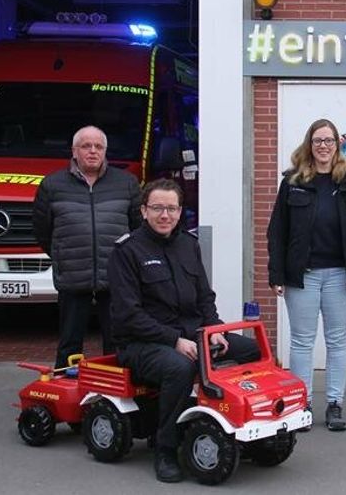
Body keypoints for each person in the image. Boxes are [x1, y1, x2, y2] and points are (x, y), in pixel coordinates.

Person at [109, 178, 259, 483]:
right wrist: (173, 340)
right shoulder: (127, 251)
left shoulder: (189, 245)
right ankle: (165, 449)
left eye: (171, 208)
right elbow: (128, 314)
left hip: (192, 334)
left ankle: (241, 428)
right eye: (157, 208)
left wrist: (215, 329)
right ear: (143, 210)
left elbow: (205, 296)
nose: (165, 215)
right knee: (180, 367)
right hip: (141, 343)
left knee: (251, 351)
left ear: (180, 212)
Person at [267, 118, 346, 432]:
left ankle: (335, 404)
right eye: (317, 141)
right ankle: (303, 403)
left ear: (337, 145)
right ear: (309, 145)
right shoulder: (293, 181)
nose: (323, 146)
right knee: (301, 342)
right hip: (304, 275)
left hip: (341, 275)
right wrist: (276, 273)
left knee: (337, 341)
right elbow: (277, 231)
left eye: (328, 140)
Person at [32, 125, 141, 369]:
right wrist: (62, 254)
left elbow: (138, 230)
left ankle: (116, 394)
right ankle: (64, 392)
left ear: (105, 151)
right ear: (74, 151)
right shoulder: (52, 185)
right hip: (72, 274)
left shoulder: (127, 183)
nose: (92, 151)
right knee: (69, 343)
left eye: (98, 146)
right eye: (86, 146)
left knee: (117, 341)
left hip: (116, 276)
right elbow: (42, 229)